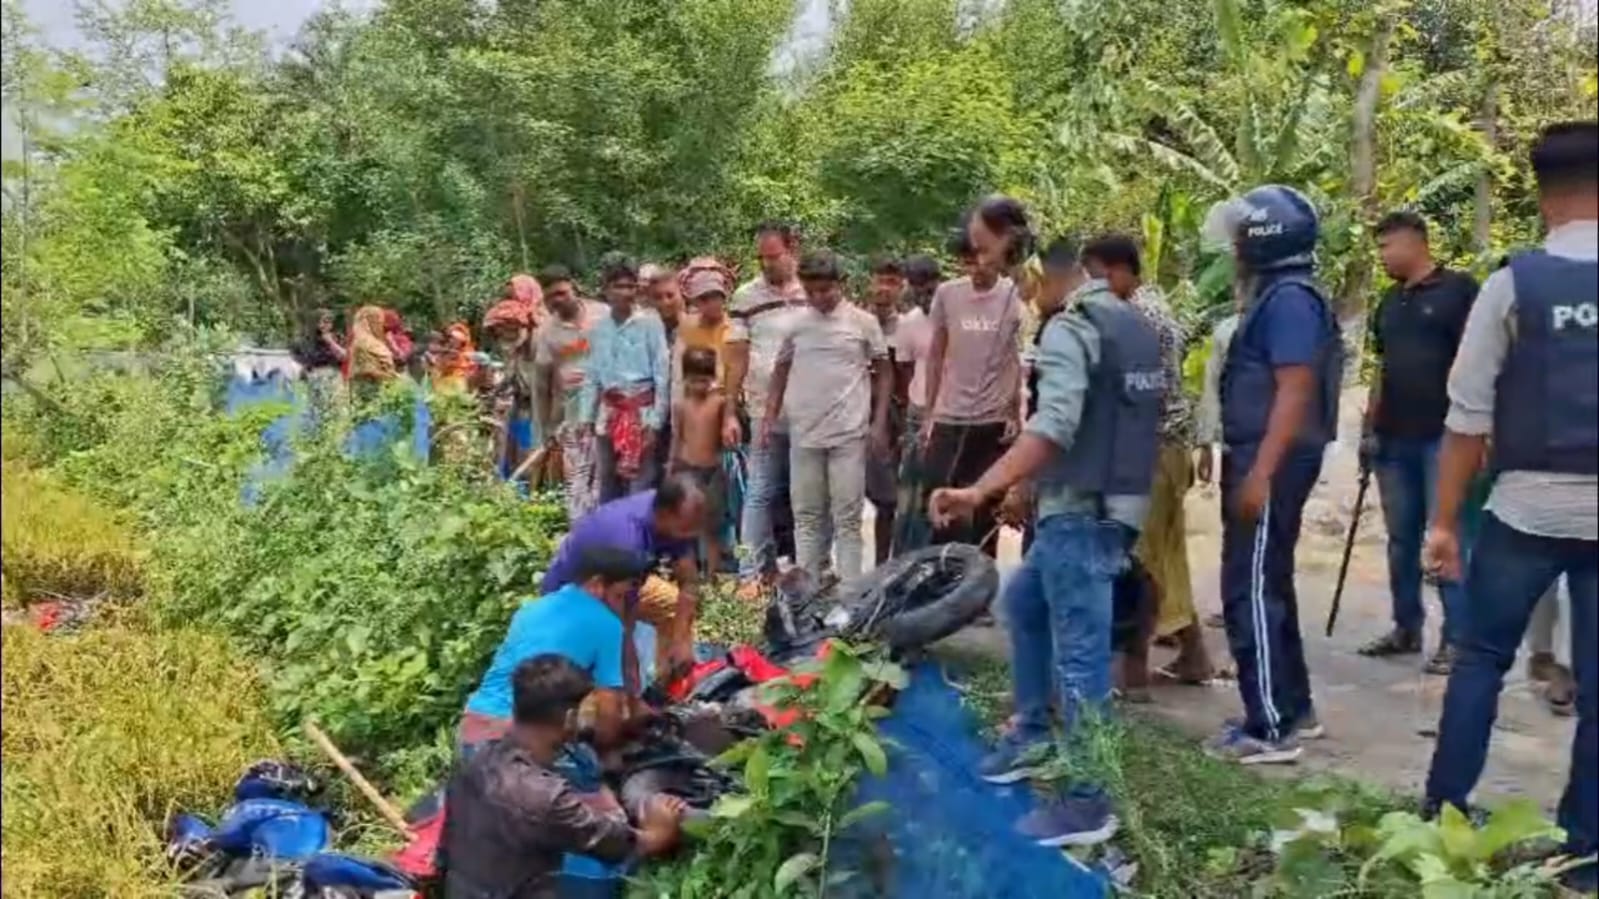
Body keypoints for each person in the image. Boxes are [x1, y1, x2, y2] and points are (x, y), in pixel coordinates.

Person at [930, 220, 1165, 847]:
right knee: (1023, 604)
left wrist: (980, 489)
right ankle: (1033, 733)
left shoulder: (1070, 327)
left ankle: (1089, 800)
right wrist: (1026, 488)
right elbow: (1107, 418)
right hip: (1110, 502)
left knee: (1083, 655)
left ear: (1042, 273)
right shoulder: (1130, 323)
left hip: (1080, 515)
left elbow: (1057, 424)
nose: (1026, 297)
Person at [1422, 120, 1597, 894]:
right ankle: (1583, 856)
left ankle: (1440, 822)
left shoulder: (1512, 283)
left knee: (1479, 662)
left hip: (1522, 511)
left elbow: (1465, 418)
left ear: (1539, 191)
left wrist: (1440, 521)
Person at [1204, 185, 1344, 765]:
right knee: (1271, 582)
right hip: (1272, 455)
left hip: (1271, 458)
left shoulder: (1288, 299)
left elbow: (1294, 388)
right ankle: (1292, 706)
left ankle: (1268, 725)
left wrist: (1260, 471)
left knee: (1250, 589)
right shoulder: (1285, 295)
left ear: (1262, 237)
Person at [442, 654, 686, 899]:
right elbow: (626, 846)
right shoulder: (543, 797)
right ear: (571, 719)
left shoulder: (474, 763)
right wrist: (658, 829)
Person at [1082, 236, 1215, 684]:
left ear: (1119, 272)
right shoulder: (1143, 311)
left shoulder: (1139, 318)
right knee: (1162, 556)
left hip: (1153, 448)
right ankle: (1193, 654)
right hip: (1160, 446)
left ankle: (1134, 668)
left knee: (1142, 560)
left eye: (1097, 277)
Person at [1356, 211, 1478, 673]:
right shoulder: (1389, 302)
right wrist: (1369, 428)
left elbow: (1483, 364)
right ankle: (1406, 626)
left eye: (1387, 247)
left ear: (1415, 243)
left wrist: (1481, 434)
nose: (1382, 256)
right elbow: (1382, 370)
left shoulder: (1459, 292)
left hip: (1445, 439)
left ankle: (1458, 638)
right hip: (1394, 438)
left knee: (1445, 538)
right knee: (1400, 540)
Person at [763, 250, 892, 584]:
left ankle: (850, 595)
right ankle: (809, 593)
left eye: (826, 290)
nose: (820, 297)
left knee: (847, 517)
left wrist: (878, 423)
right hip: (804, 432)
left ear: (841, 284)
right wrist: (769, 418)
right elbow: (780, 370)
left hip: (849, 433)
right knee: (807, 516)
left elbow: (884, 371)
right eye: (812, 291)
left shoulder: (863, 323)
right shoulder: (797, 325)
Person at [459, 545, 652, 754]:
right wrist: (609, 754)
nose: (622, 604)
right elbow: (609, 707)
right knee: (591, 776)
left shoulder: (532, 608)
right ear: (597, 584)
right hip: (519, 741)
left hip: (473, 728)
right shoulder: (607, 624)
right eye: (620, 595)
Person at [922, 196, 1029, 557]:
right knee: (943, 511)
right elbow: (936, 354)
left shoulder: (1015, 296)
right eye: (971, 259)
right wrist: (929, 414)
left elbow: (1018, 358)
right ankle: (944, 590)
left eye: (984, 253)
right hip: (950, 419)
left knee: (984, 516)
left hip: (993, 422)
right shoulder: (947, 295)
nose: (979, 265)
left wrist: (1016, 412)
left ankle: (979, 596)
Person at [541, 475, 709, 685]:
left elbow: (690, 582)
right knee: (607, 664)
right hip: (575, 596)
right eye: (687, 528)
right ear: (666, 514)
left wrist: (681, 639)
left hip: (619, 585)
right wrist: (629, 674)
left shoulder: (671, 516)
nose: (693, 534)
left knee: (671, 604)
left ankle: (667, 684)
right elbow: (621, 620)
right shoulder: (629, 539)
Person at [726, 222, 809, 594]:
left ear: (794, 249)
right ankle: (750, 574)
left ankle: (809, 571)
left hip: (811, 412)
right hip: (764, 412)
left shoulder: (815, 291)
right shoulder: (746, 297)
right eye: (760, 258)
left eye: (772, 257)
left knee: (806, 494)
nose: (766, 265)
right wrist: (730, 410)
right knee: (760, 491)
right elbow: (737, 357)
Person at [583, 254, 672, 501]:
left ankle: (636, 537)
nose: (625, 292)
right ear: (606, 290)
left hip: (642, 413)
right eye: (618, 286)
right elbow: (591, 375)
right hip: (608, 414)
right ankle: (609, 537)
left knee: (641, 485)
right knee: (608, 483)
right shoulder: (598, 328)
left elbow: (662, 374)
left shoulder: (651, 323)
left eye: (630, 286)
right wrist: (585, 418)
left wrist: (656, 422)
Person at [533, 265, 610, 521]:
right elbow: (542, 385)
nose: (557, 300)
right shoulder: (547, 333)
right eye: (550, 297)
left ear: (573, 287)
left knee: (611, 482)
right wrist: (544, 428)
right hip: (576, 420)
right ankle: (583, 541)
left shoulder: (603, 314)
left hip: (614, 414)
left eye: (561, 293)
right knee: (578, 486)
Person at [890, 254, 943, 554]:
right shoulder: (908, 324)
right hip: (918, 412)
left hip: (953, 414)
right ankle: (908, 560)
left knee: (943, 491)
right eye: (918, 288)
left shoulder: (956, 317)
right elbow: (905, 369)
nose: (925, 295)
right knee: (911, 498)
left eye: (930, 288)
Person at [671, 347, 730, 578]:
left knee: (712, 526)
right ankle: (689, 576)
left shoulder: (719, 402)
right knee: (687, 526)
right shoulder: (681, 406)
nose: (700, 386)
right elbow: (677, 438)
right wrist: (671, 468)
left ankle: (712, 575)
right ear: (685, 380)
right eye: (694, 381)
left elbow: (726, 434)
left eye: (705, 381)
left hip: (713, 470)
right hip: (688, 469)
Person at [865, 255, 906, 567]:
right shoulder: (854, 323)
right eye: (880, 280)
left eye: (892, 282)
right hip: (849, 416)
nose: (884, 288)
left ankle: (884, 567)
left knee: (889, 500)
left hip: (892, 421)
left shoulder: (905, 328)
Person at [484, 298, 541, 479]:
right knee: (512, 455)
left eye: (505, 331)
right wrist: (495, 393)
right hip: (520, 407)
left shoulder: (538, 346)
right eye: (498, 333)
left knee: (528, 455)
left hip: (538, 410)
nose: (501, 336)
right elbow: (510, 378)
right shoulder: (515, 350)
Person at [348, 305, 398, 399]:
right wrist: (391, 377)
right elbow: (366, 369)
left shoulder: (377, 342)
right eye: (376, 320)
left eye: (380, 320)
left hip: (383, 389)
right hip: (367, 390)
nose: (380, 324)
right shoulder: (362, 343)